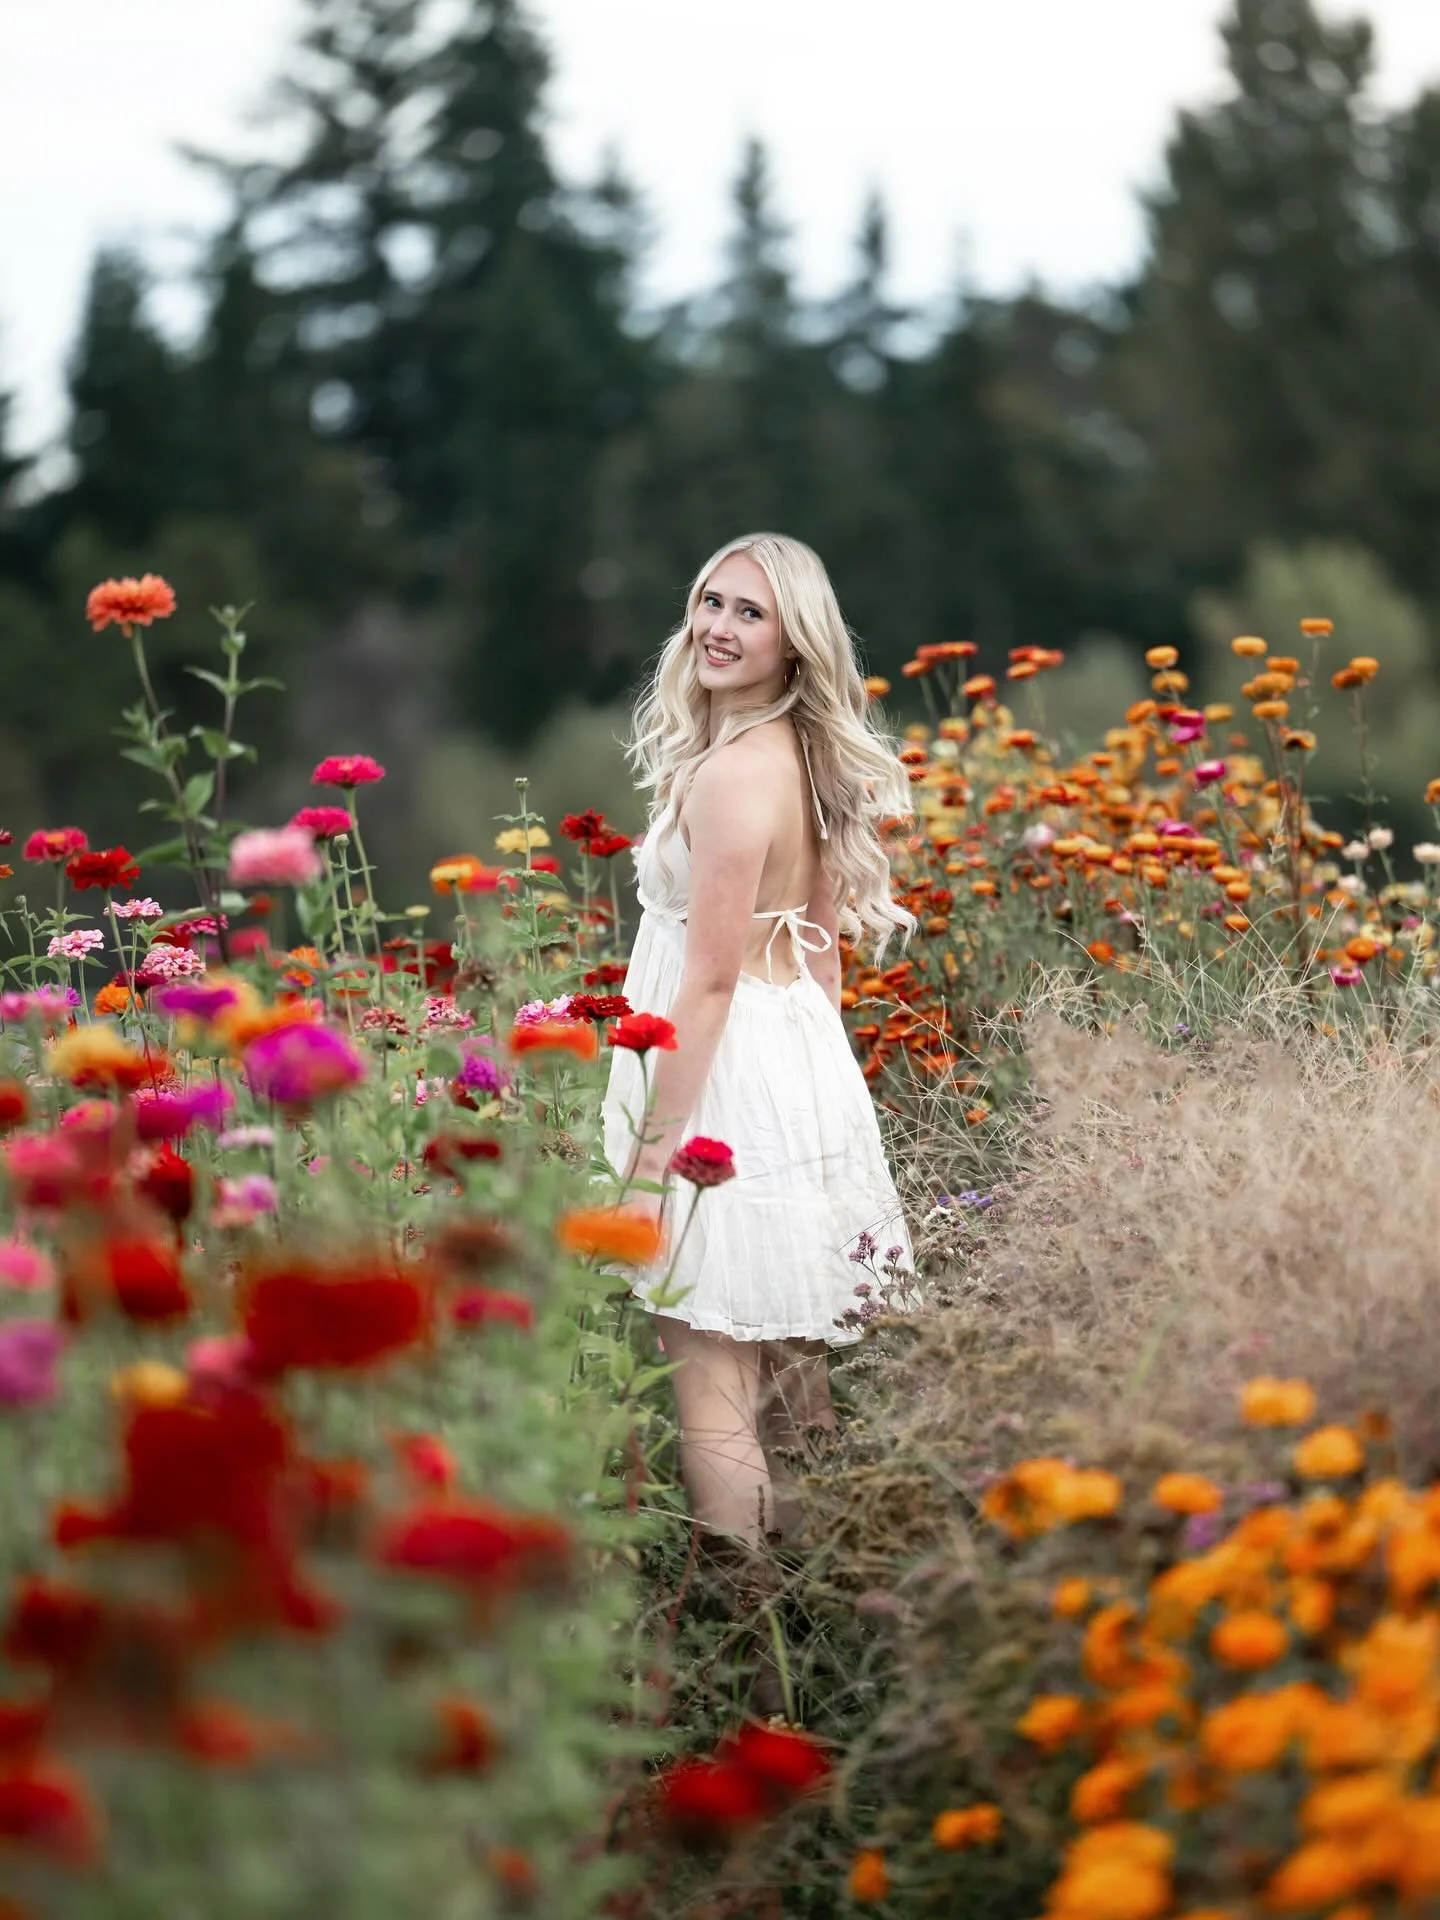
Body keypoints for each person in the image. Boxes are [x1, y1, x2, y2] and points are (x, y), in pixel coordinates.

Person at [601, 532, 918, 1570]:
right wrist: (824, 1108)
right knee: (790, 1370)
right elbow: (819, 953)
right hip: (791, 1062)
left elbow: (711, 980)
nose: (718, 627)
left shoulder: (736, 776)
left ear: (794, 644)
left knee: (712, 1380)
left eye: (750, 613)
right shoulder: (800, 759)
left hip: (722, 1078)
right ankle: (827, 1614)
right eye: (709, 601)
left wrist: (651, 1169)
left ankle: (749, 1641)